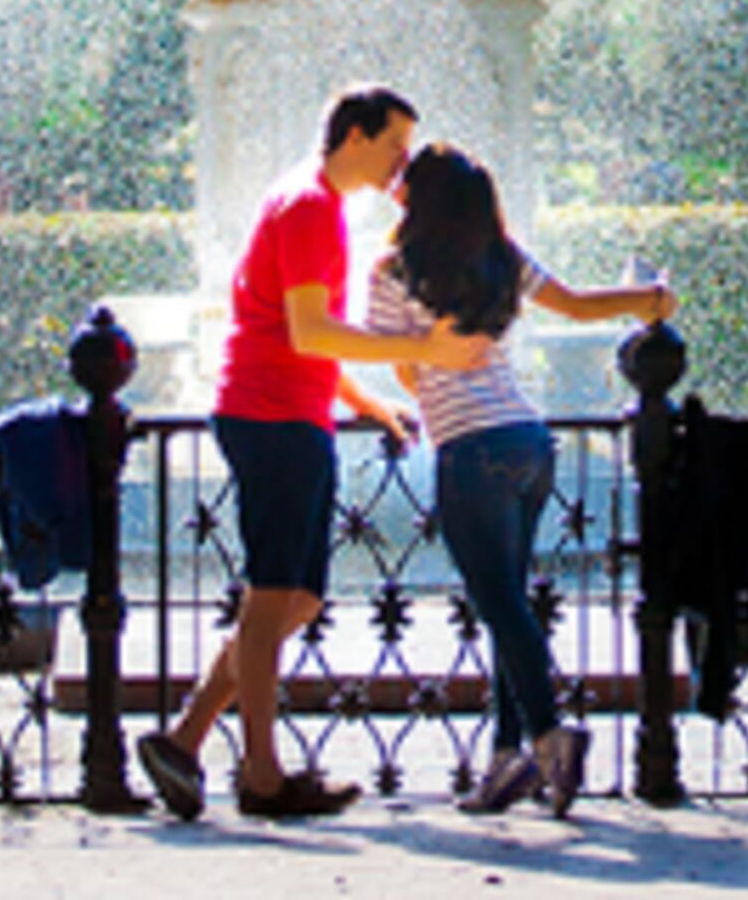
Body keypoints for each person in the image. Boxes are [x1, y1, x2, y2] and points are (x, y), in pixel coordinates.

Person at [139, 86, 496, 821]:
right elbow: (309, 331)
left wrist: (365, 403)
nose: (403, 164)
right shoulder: (307, 208)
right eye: (395, 145)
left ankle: (184, 740)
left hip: (287, 413)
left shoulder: (310, 202)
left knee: (297, 600)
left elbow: (306, 330)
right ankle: (263, 779)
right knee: (272, 598)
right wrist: (419, 348)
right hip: (271, 416)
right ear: (356, 136)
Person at [364, 142, 672, 817]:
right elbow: (581, 305)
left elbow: (403, 365)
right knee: (509, 605)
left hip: (469, 448)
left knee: (498, 602)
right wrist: (650, 299)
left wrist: (429, 368)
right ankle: (506, 763)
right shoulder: (500, 256)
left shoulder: (393, 270)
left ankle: (548, 734)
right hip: (530, 442)